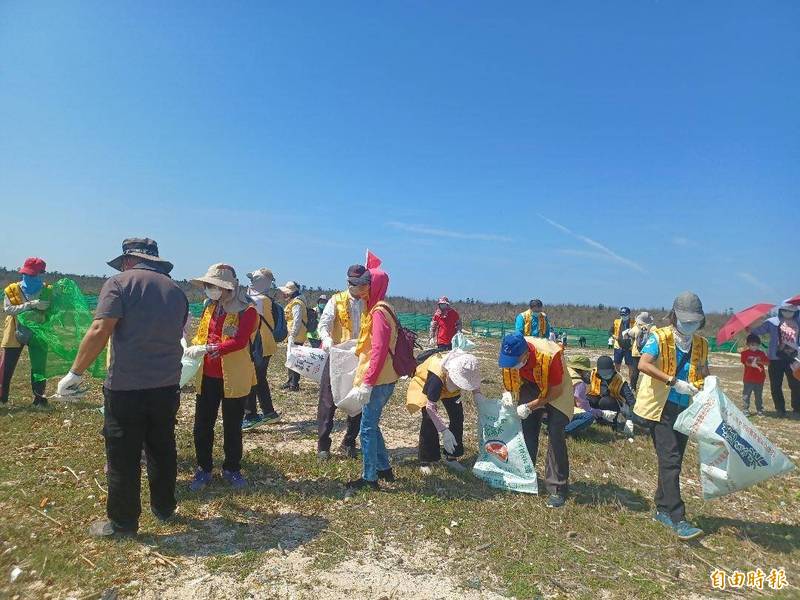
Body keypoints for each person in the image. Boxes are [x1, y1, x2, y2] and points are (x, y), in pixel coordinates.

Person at [56, 238, 188, 537]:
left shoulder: (118, 284)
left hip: (127, 386)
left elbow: (101, 329)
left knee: (123, 454)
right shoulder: (176, 291)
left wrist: (75, 372)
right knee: (162, 447)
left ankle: (123, 522)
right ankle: (164, 507)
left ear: (128, 261)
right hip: (167, 385)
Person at [634, 292, 710, 541]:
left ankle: (661, 507)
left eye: (694, 321)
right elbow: (643, 364)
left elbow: (703, 371)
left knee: (672, 460)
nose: (689, 325)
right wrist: (672, 381)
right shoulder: (660, 337)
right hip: (662, 407)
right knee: (671, 460)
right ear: (674, 316)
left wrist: (706, 387)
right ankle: (678, 518)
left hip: (686, 408)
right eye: (685, 320)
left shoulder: (701, 344)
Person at [185, 264, 257, 492]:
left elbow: (240, 341)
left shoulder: (247, 311)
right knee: (202, 425)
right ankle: (203, 468)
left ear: (228, 288)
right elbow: (201, 335)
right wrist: (194, 347)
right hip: (207, 376)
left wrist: (211, 348)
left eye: (213, 286)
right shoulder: (209, 308)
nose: (209, 290)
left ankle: (232, 468)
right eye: (207, 286)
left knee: (232, 426)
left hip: (234, 377)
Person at [498, 331, 574, 508]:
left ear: (526, 354)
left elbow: (555, 391)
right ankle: (526, 474)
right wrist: (508, 394)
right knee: (527, 428)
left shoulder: (550, 355)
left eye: (516, 362)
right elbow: (511, 377)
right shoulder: (511, 352)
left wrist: (531, 405)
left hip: (557, 388)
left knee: (555, 433)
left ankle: (557, 488)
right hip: (531, 383)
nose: (512, 365)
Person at [345, 266, 400, 494]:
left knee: (366, 428)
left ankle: (370, 477)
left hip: (378, 379)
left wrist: (367, 382)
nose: (356, 288)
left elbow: (378, 350)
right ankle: (384, 468)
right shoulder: (384, 308)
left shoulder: (378, 313)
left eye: (361, 284)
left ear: (372, 285)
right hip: (385, 377)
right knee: (372, 423)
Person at [316, 266, 367, 460]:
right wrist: (327, 341)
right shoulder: (336, 300)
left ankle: (349, 441)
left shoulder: (369, 302)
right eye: (355, 283)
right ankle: (323, 445)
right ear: (348, 283)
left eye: (362, 283)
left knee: (357, 399)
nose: (359, 287)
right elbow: (324, 324)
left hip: (359, 357)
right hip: (337, 355)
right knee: (327, 401)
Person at [406, 349, 482, 474]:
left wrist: (478, 396)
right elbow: (431, 407)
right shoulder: (436, 375)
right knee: (429, 420)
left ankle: (451, 457)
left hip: (450, 385)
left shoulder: (468, 364)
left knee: (457, 416)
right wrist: (444, 431)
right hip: (426, 382)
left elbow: (474, 381)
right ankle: (426, 459)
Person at [1, 257, 51, 407]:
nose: (28, 277)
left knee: (39, 366)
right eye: (26, 274)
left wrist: (47, 308)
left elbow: (54, 310)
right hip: (14, 329)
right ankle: (1, 398)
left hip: (39, 331)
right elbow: (8, 309)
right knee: (6, 365)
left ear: (41, 274)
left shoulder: (47, 290)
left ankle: (39, 399)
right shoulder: (12, 289)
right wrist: (30, 305)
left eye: (33, 274)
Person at [242, 268, 280, 429]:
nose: (251, 282)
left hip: (258, 344)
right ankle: (269, 412)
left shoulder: (258, 300)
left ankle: (251, 415)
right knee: (259, 378)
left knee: (251, 378)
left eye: (254, 279)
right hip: (265, 344)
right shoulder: (264, 299)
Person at [748, 303, 800, 417]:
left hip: (793, 359)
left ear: (795, 312)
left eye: (791, 311)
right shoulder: (772, 322)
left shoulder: (798, 322)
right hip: (775, 359)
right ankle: (780, 409)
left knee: (796, 384)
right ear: (780, 310)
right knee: (776, 385)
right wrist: (749, 328)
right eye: (785, 310)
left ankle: (797, 409)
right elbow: (758, 331)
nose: (788, 313)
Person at [585, 356, 635, 436]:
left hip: (613, 404)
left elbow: (631, 400)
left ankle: (611, 421)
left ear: (613, 369)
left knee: (605, 401)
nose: (605, 375)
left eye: (608, 372)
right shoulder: (594, 373)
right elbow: (580, 378)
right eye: (602, 373)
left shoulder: (620, 380)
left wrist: (630, 419)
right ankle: (596, 418)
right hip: (598, 397)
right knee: (588, 399)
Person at [279, 281, 307, 392]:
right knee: (291, 359)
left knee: (294, 359)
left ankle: (294, 383)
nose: (285, 294)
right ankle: (290, 381)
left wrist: (292, 335)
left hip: (296, 335)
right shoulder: (295, 302)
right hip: (294, 335)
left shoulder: (297, 303)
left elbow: (297, 320)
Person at [563, 355, 596, 437]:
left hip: (545, 412)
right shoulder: (578, 382)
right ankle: (562, 431)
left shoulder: (562, 371)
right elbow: (581, 405)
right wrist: (600, 413)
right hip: (561, 413)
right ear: (580, 370)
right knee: (588, 416)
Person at [740, 333, 769, 416]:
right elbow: (745, 362)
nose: (754, 347)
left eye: (756, 345)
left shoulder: (761, 353)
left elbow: (767, 363)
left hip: (760, 379)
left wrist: (758, 361)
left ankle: (759, 410)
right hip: (748, 378)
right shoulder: (744, 353)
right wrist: (752, 364)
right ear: (748, 345)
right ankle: (745, 410)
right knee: (746, 395)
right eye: (752, 345)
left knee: (758, 396)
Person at [625, 312, 654, 391]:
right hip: (648, 352)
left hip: (636, 352)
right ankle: (647, 387)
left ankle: (633, 387)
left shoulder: (636, 327)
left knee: (635, 371)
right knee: (648, 370)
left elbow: (629, 334)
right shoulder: (652, 328)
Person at [610, 306, 635, 379]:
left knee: (630, 366)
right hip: (618, 346)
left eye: (625, 315)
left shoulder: (634, 322)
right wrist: (614, 336)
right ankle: (617, 380)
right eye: (622, 315)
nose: (623, 316)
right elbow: (610, 332)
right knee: (617, 364)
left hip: (629, 347)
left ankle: (631, 384)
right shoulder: (616, 322)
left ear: (629, 314)